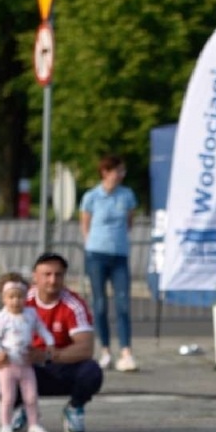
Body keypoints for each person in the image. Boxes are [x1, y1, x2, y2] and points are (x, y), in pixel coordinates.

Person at [0, 252, 104, 432]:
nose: (53, 280)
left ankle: (75, 407)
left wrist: (48, 355)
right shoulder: (19, 296)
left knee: (92, 371)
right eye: (47, 274)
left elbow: (86, 348)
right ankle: (17, 406)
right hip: (18, 365)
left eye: (58, 275)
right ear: (35, 277)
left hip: (56, 368)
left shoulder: (74, 304)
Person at [79, 153, 139, 373]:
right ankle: (105, 349)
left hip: (119, 254)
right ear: (106, 172)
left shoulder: (127, 195)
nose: (121, 175)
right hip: (97, 253)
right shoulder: (92, 196)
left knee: (123, 303)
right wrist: (91, 243)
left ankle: (126, 351)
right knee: (100, 304)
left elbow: (129, 221)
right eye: (118, 171)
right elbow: (85, 224)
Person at [0, 273, 55, 432]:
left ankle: (34, 425)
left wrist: (49, 342)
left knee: (31, 396)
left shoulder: (31, 314)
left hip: (26, 364)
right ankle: (5, 426)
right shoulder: (1, 318)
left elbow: (42, 328)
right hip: (7, 365)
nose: (16, 301)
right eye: (11, 297)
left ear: (26, 297)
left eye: (20, 297)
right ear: (4, 298)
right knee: (8, 398)